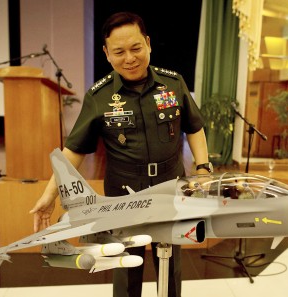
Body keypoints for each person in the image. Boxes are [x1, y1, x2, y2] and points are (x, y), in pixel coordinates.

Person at [29, 11, 211, 297]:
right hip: (124, 194)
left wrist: (203, 168)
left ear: (148, 43)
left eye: (136, 48)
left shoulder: (173, 84)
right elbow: (74, 149)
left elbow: (195, 127)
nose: (130, 58)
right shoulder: (99, 96)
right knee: (125, 264)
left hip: (170, 187)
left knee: (171, 262)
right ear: (107, 53)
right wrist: (49, 195)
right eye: (119, 52)